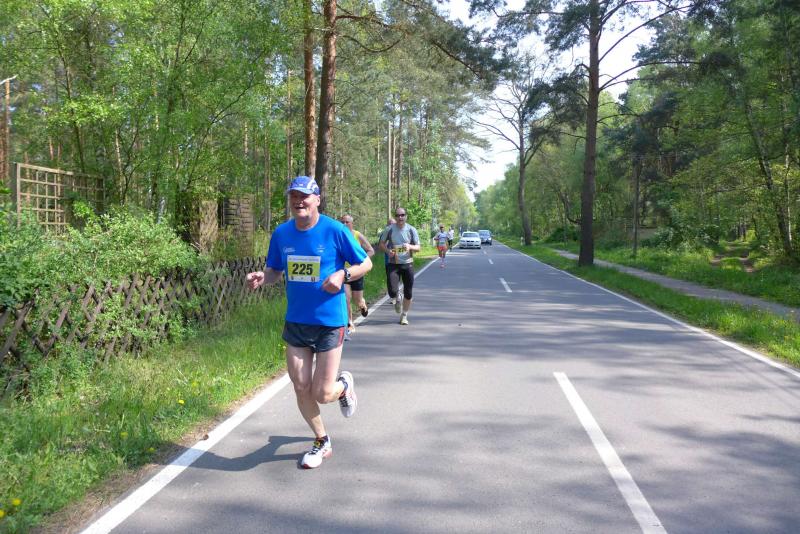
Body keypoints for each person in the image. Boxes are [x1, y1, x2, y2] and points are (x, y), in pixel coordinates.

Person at [246, 176, 372, 469]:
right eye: (294, 196)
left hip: (329, 322)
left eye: (304, 196)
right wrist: (263, 277)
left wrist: (343, 274)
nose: (298, 201)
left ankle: (343, 386)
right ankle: (321, 440)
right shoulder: (282, 234)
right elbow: (275, 271)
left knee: (322, 393)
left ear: (317, 199)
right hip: (297, 321)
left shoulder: (335, 230)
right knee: (301, 385)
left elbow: (365, 262)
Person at [378, 207, 420, 325]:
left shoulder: (411, 230)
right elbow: (381, 244)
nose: (400, 217)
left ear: (406, 216)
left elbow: (418, 247)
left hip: (408, 264)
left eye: (402, 215)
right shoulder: (389, 229)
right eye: (397, 215)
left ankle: (404, 315)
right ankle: (397, 296)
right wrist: (388, 251)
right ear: (395, 217)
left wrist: (410, 247)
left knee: (409, 293)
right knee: (392, 291)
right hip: (393, 264)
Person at [340, 213, 375, 334]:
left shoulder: (357, 235)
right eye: (342, 222)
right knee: (346, 298)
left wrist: (362, 261)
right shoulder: (338, 235)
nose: (344, 224)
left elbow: (371, 250)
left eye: (347, 222)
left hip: (357, 272)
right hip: (344, 273)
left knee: (358, 300)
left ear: (352, 223)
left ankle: (363, 306)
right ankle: (350, 323)